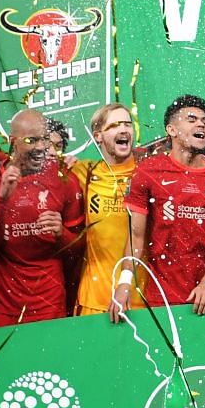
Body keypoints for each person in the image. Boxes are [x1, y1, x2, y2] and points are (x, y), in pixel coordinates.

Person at [111, 95, 205, 318]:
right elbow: (136, 237)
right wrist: (124, 284)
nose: (201, 124)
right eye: (191, 119)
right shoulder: (148, 172)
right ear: (171, 130)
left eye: (204, 121)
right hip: (163, 295)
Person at [0, 109, 86, 327]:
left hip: (49, 301)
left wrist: (61, 234)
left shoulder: (66, 179)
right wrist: (2, 200)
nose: (41, 147)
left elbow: (80, 248)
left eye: (44, 139)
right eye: (31, 140)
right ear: (12, 141)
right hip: (1, 303)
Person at [69, 103, 142, 315]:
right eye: (114, 126)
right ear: (98, 136)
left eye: (128, 124)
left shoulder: (147, 174)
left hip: (141, 299)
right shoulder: (83, 172)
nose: (123, 130)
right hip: (94, 299)